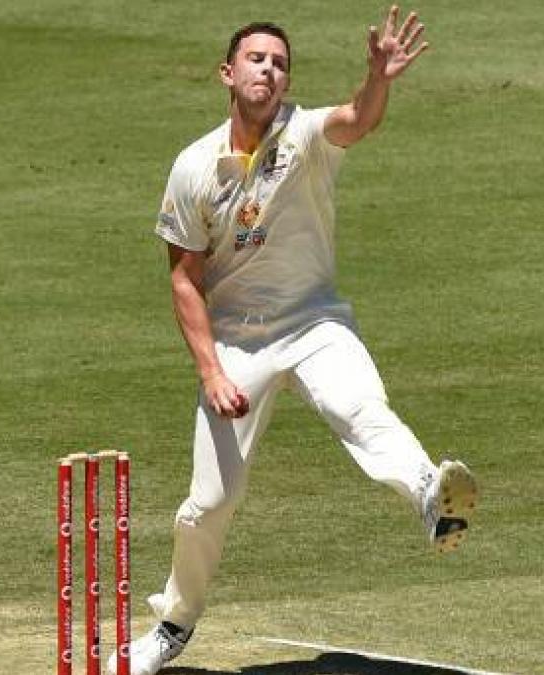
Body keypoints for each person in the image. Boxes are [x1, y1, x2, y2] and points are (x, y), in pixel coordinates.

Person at [110, 7, 478, 674]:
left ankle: (431, 495)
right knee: (210, 502)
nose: (269, 70)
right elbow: (185, 282)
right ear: (228, 72)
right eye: (256, 59)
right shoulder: (194, 165)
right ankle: (171, 626)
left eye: (279, 63)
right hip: (237, 347)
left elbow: (357, 119)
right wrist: (212, 370)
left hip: (315, 324)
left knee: (361, 409)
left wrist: (377, 77)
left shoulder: (304, 135)